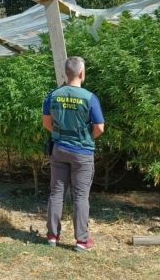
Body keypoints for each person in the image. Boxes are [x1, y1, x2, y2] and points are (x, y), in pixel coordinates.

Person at [42, 56, 105, 252]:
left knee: (56, 193)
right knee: (80, 196)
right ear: (82, 73)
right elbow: (100, 128)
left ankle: (52, 236)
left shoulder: (53, 95)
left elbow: (46, 123)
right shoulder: (89, 97)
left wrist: (60, 135)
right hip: (82, 152)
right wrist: (86, 139)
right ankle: (81, 241)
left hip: (59, 149)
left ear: (66, 73)